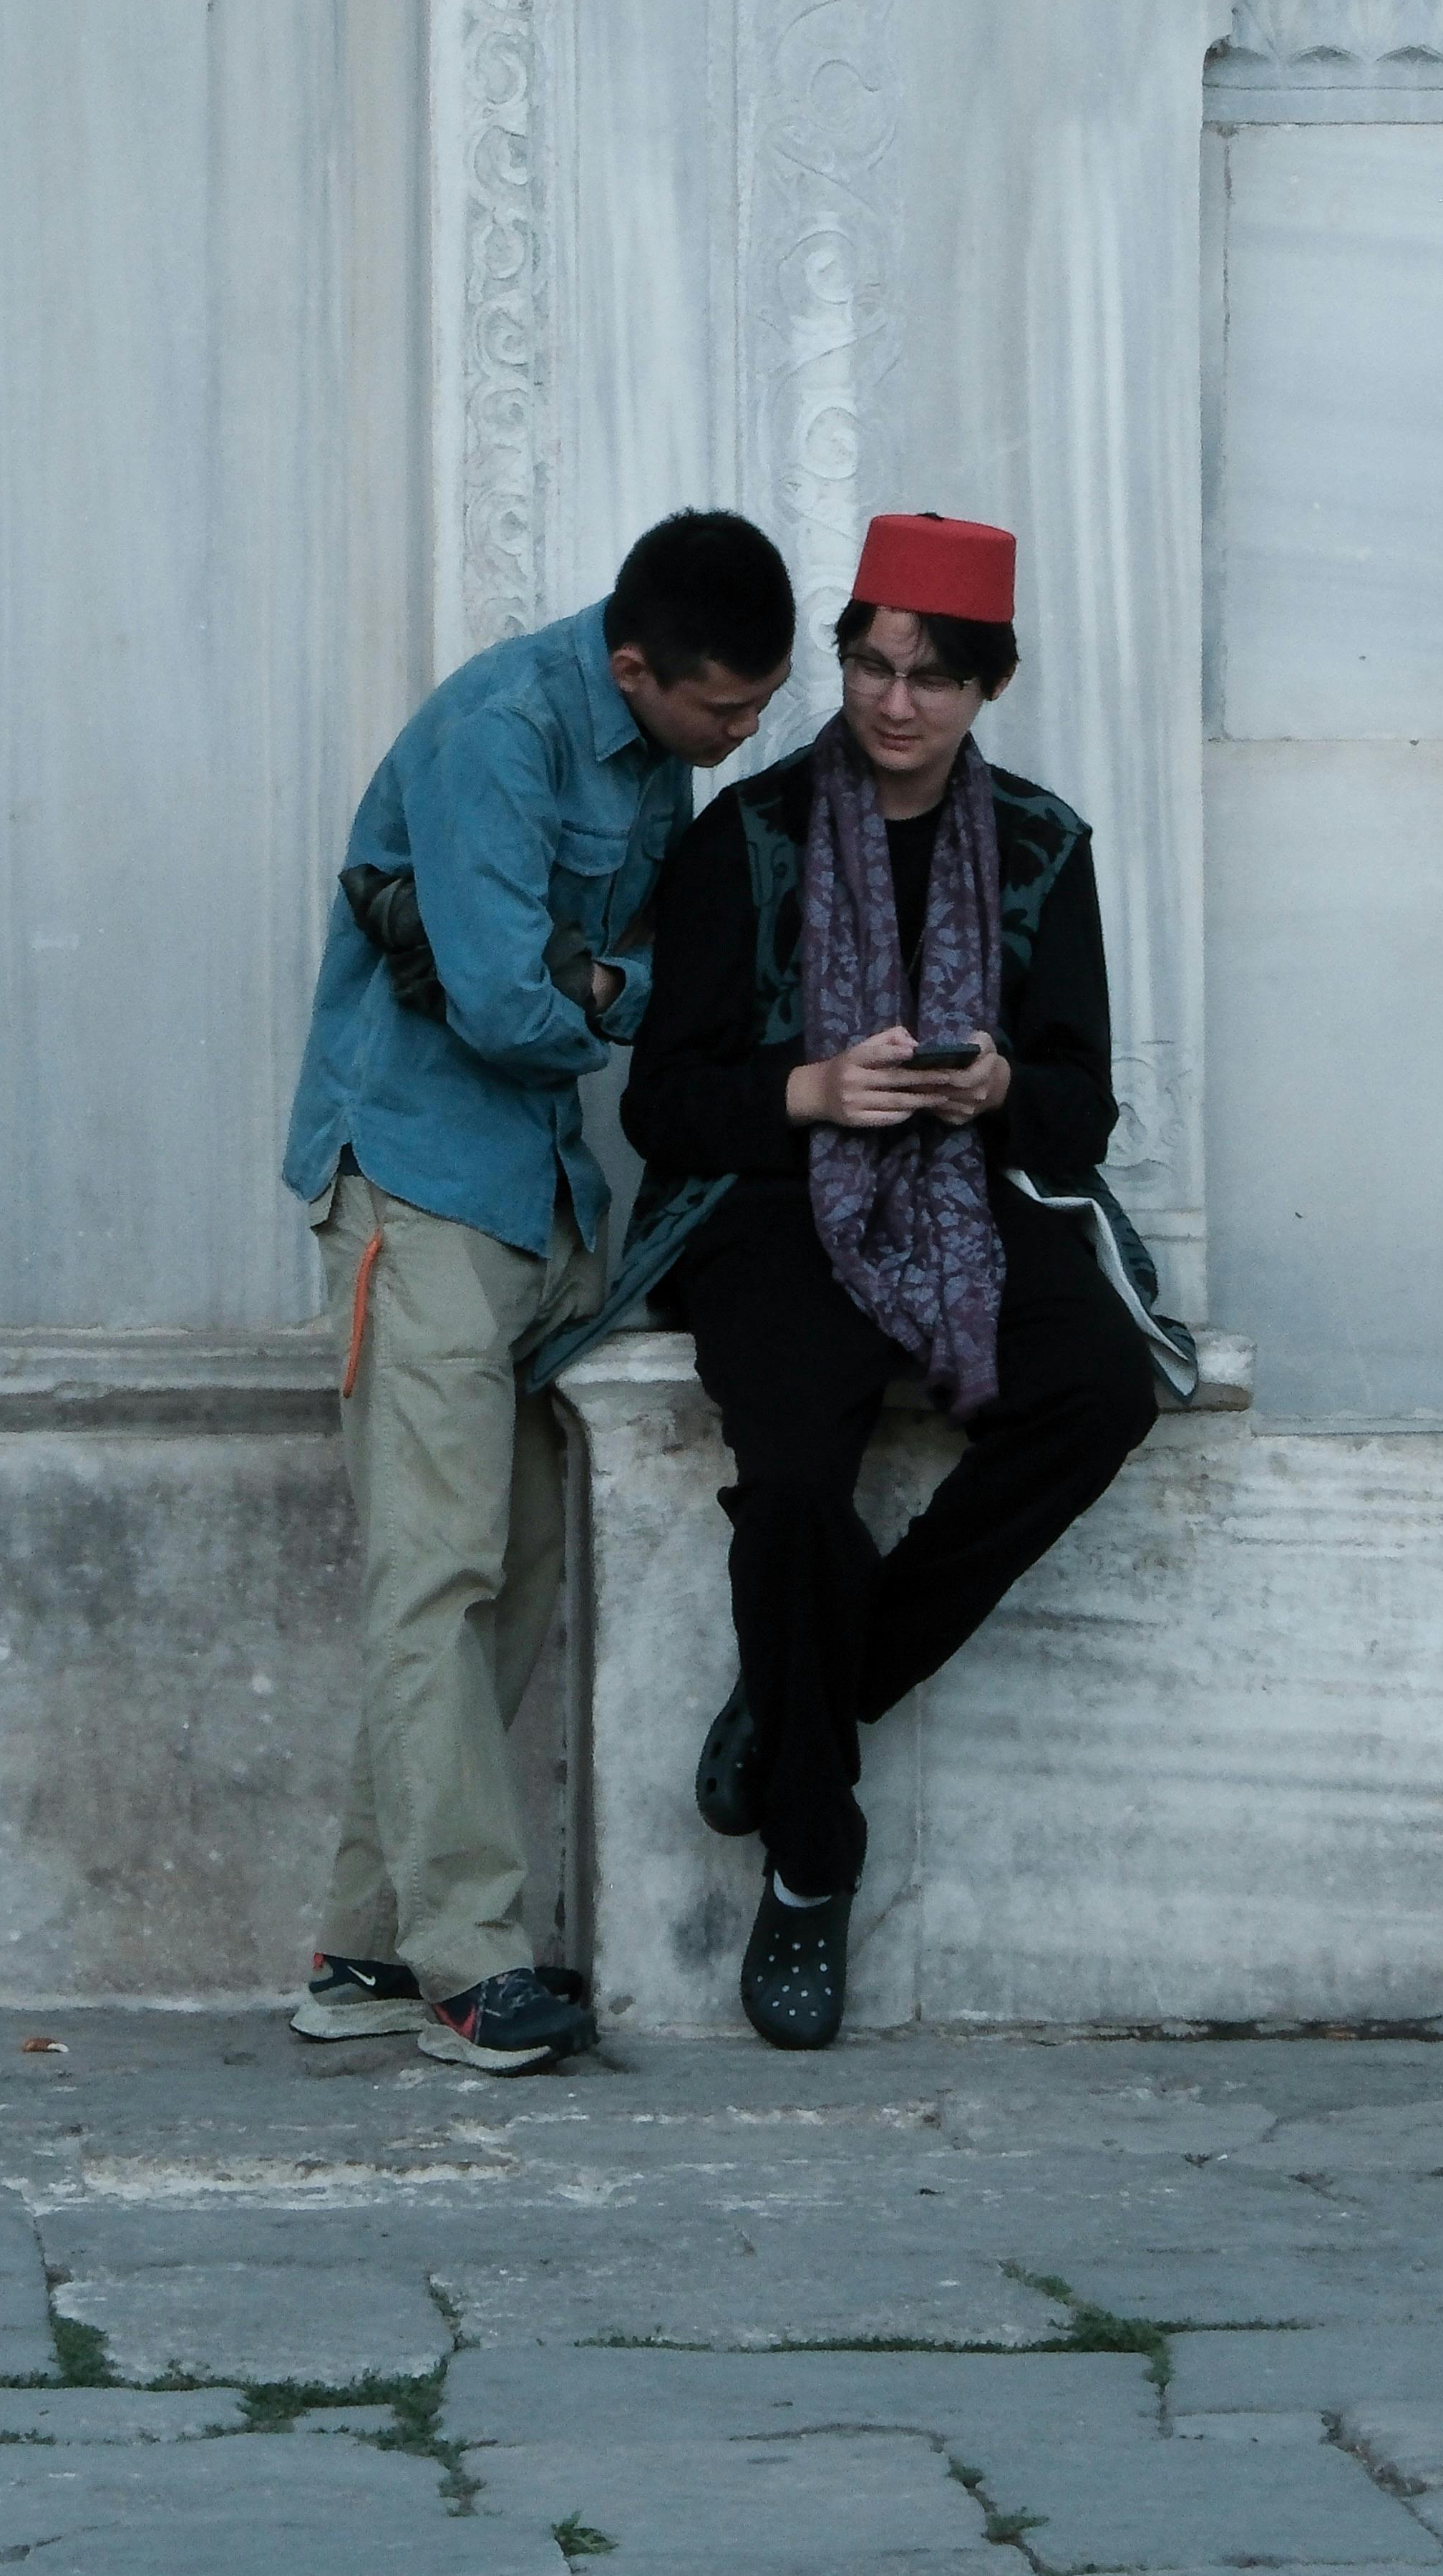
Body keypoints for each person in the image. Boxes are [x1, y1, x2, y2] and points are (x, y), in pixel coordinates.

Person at [615, 510, 1192, 2052]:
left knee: (1099, 1392)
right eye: (871, 664)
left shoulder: (1046, 848)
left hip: (973, 1197)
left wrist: (996, 1082)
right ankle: (815, 1862)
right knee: (798, 1471)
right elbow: (660, 1106)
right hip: (770, 1210)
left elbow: (1082, 1110)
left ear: (989, 687)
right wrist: (811, 1094)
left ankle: (803, 1703)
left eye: (932, 678)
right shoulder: (742, 839)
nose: (891, 704)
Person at [283, 510, 798, 2072]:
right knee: (434, 1578)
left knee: (500, 1584)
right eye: (721, 711)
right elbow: (513, 1002)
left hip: (535, 1203)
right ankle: (467, 1969)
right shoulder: (498, 734)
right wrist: (607, 984)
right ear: (636, 666)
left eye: (756, 713)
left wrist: (591, 977)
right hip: (422, 1191)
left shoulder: (650, 753)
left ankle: (366, 1953)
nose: (737, 741)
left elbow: (572, 978)